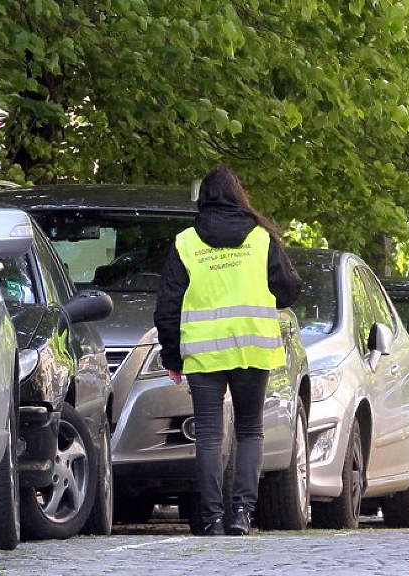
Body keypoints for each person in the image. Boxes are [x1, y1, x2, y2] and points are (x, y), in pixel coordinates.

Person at [154, 165, 302, 536]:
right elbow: (288, 289)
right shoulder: (260, 239)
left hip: (204, 353)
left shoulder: (186, 242)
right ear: (239, 195)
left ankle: (212, 518)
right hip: (253, 347)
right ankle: (242, 515)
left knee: (207, 435)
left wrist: (172, 356)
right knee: (250, 431)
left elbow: (167, 305)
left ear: (203, 198)